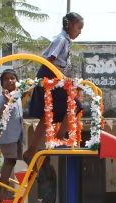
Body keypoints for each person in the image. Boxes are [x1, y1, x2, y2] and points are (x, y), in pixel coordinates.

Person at [24, 12, 85, 162]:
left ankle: (31, 150)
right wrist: (60, 80)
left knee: (48, 115)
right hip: (49, 75)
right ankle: (58, 138)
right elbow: (50, 60)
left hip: (52, 75)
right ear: (69, 25)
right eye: (78, 27)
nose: (80, 31)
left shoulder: (65, 40)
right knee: (75, 104)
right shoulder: (61, 40)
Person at [0, 68, 24, 203]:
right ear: (2, 84)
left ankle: (3, 187)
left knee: (12, 162)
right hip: (7, 137)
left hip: (17, 136)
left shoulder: (17, 96)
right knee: (9, 160)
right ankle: (1, 191)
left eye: (13, 78)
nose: (10, 81)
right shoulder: (1, 98)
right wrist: (5, 101)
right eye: (6, 79)